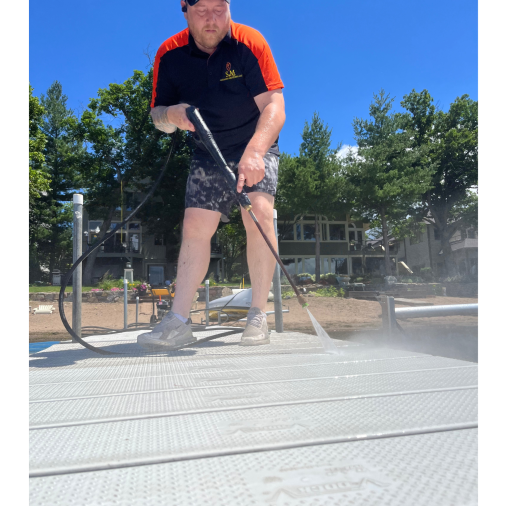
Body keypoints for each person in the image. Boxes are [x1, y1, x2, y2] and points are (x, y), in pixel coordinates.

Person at [138, 0, 285, 351]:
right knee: (195, 227)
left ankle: (257, 315)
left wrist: (255, 152)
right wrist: (171, 114)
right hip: (206, 150)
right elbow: (157, 116)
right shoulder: (168, 54)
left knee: (260, 216)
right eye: (202, 9)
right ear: (185, 10)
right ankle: (178, 321)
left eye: (219, 8)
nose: (211, 18)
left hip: (254, 144)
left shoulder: (251, 43)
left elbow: (275, 107)